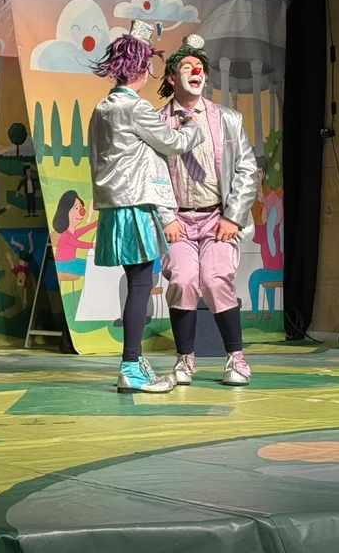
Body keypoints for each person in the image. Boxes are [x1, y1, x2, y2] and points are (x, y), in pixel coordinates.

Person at [87, 20, 204, 394]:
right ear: (140, 69)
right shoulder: (135, 108)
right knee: (141, 283)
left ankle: (134, 362)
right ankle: (130, 366)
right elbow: (172, 143)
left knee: (138, 281)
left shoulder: (103, 107)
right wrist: (191, 125)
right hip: (135, 203)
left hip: (115, 204)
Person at [156, 34, 258, 387]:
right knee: (182, 280)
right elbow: (151, 174)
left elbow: (246, 169)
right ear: (172, 78)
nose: (196, 71)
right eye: (187, 66)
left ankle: (236, 358)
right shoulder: (157, 122)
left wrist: (233, 216)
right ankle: (185, 359)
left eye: (199, 66)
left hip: (218, 218)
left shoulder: (227, 119)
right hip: (177, 220)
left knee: (215, 280)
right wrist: (166, 217)